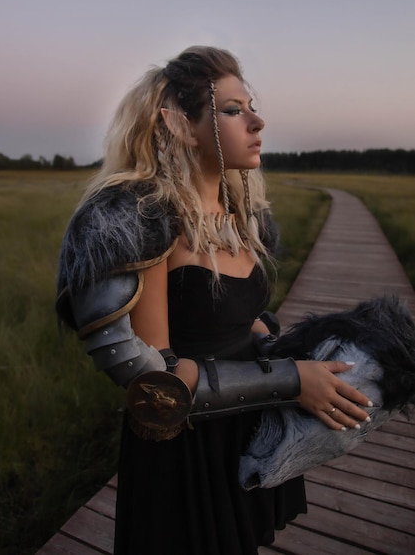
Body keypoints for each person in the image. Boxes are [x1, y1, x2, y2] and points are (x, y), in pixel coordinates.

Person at [56, 46, 372, 555]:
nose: (257, 120)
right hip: (186, 447)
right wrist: (292, 381)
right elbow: (153, 382)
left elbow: (235, 321)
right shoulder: (145, 223)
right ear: (180, 125)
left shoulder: (241, 216)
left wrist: (280, 346)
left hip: (246, 428)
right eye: (233, 110)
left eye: (250, 106)